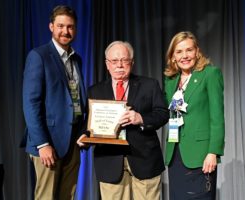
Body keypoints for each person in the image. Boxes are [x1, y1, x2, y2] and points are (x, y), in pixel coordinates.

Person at [77, 41, 169, 200]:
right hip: (109, 161)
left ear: (131, 63)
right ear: (107, 64)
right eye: (114, 61)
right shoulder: (95, 90)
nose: (119, 65)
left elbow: (162, 114)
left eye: (124, 60)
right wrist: (85, 136)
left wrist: (140, 118)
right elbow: (90, 122)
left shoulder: (149, 85)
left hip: (144, 159)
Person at [22, 5, 86, 200]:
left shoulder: (77, 59)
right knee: (47, 197)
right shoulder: (39, 56)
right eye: (60, 26)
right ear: (51, 27)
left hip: (73, 141)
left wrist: (84, 131)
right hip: (48, 142)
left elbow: (75, 99)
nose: (65, 31)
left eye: (70, 26)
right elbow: (31, 103)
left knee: (68, 195)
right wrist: (42, 144)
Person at [163, 31, 225, 199]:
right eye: (179, 51)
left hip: (201, 155)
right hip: (176, 154)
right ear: (173, 56)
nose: (185, 56)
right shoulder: (170, 80)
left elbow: (217, 118)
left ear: (197, 51)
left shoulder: (210, 74)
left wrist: (213, 152)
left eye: (189, 50)